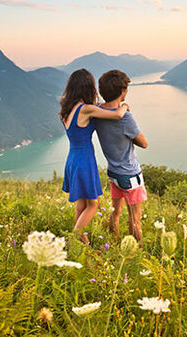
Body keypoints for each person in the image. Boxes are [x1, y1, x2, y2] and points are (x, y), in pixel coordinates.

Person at [59, 69, 129, 244]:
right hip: (84, 161)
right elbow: (117, 115)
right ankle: (73, 241)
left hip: (72, 159)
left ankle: (83, 244)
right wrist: (125, 106)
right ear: (87, 87)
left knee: (81, 205)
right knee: (93, 204)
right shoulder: (85, 109)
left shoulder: (68, 110)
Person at [94, 70, 148, 241]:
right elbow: (144, 143)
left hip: (113, 172)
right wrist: (125, 109)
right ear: (122, 91)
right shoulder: (125, 119)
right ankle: (137, 252)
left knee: (115, 212)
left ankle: (114, 241)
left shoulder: (97, 112)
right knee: (135, 218)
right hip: (129, 174)